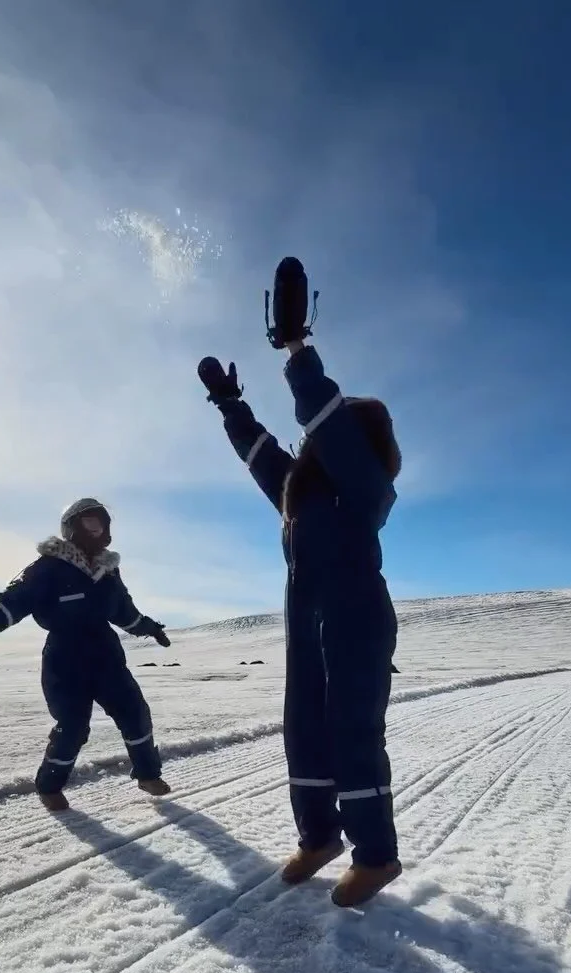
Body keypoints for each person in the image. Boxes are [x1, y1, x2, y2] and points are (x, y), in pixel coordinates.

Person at [198, 258, 401, 907]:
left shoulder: (366, 485)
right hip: (307, 620)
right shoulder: (301, 495)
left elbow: (326, 419)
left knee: (351, 729)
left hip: (357, 619)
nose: (313, 443)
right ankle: (319, 838)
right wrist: (230, 406)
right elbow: (261, 453)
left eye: (330, 435)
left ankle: (376, 855)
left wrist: (295, 347)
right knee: (304, 727)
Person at [0, 497, 171, 811]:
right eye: (90, 523)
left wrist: (150, 628)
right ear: (71, 528)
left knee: (135, 713)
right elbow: (16, 599)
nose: (98, 530)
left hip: (106, 655)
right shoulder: (48, 567)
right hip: (65, 658)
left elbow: (124, 611)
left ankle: (148, 775)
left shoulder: (108, 572)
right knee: (73, 726)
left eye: (102, 524)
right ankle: (49, 786)